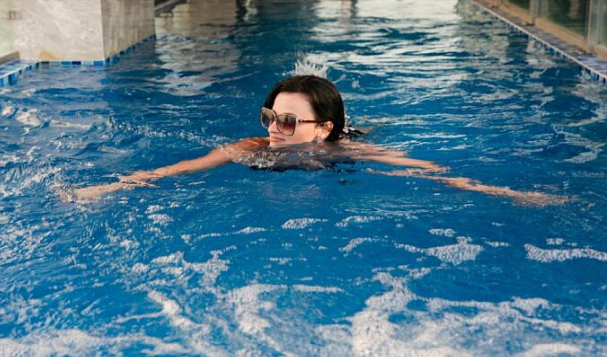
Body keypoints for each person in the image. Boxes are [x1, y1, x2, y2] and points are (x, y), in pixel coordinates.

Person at [73, 75, 564, 205]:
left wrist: (503, 192)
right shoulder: (251, 148)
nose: (273, 129)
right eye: (270, 116)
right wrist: (109, 186)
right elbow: (177, 170)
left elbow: (428, 173)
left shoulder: (347, 149)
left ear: (322, 129)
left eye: (288, 122)